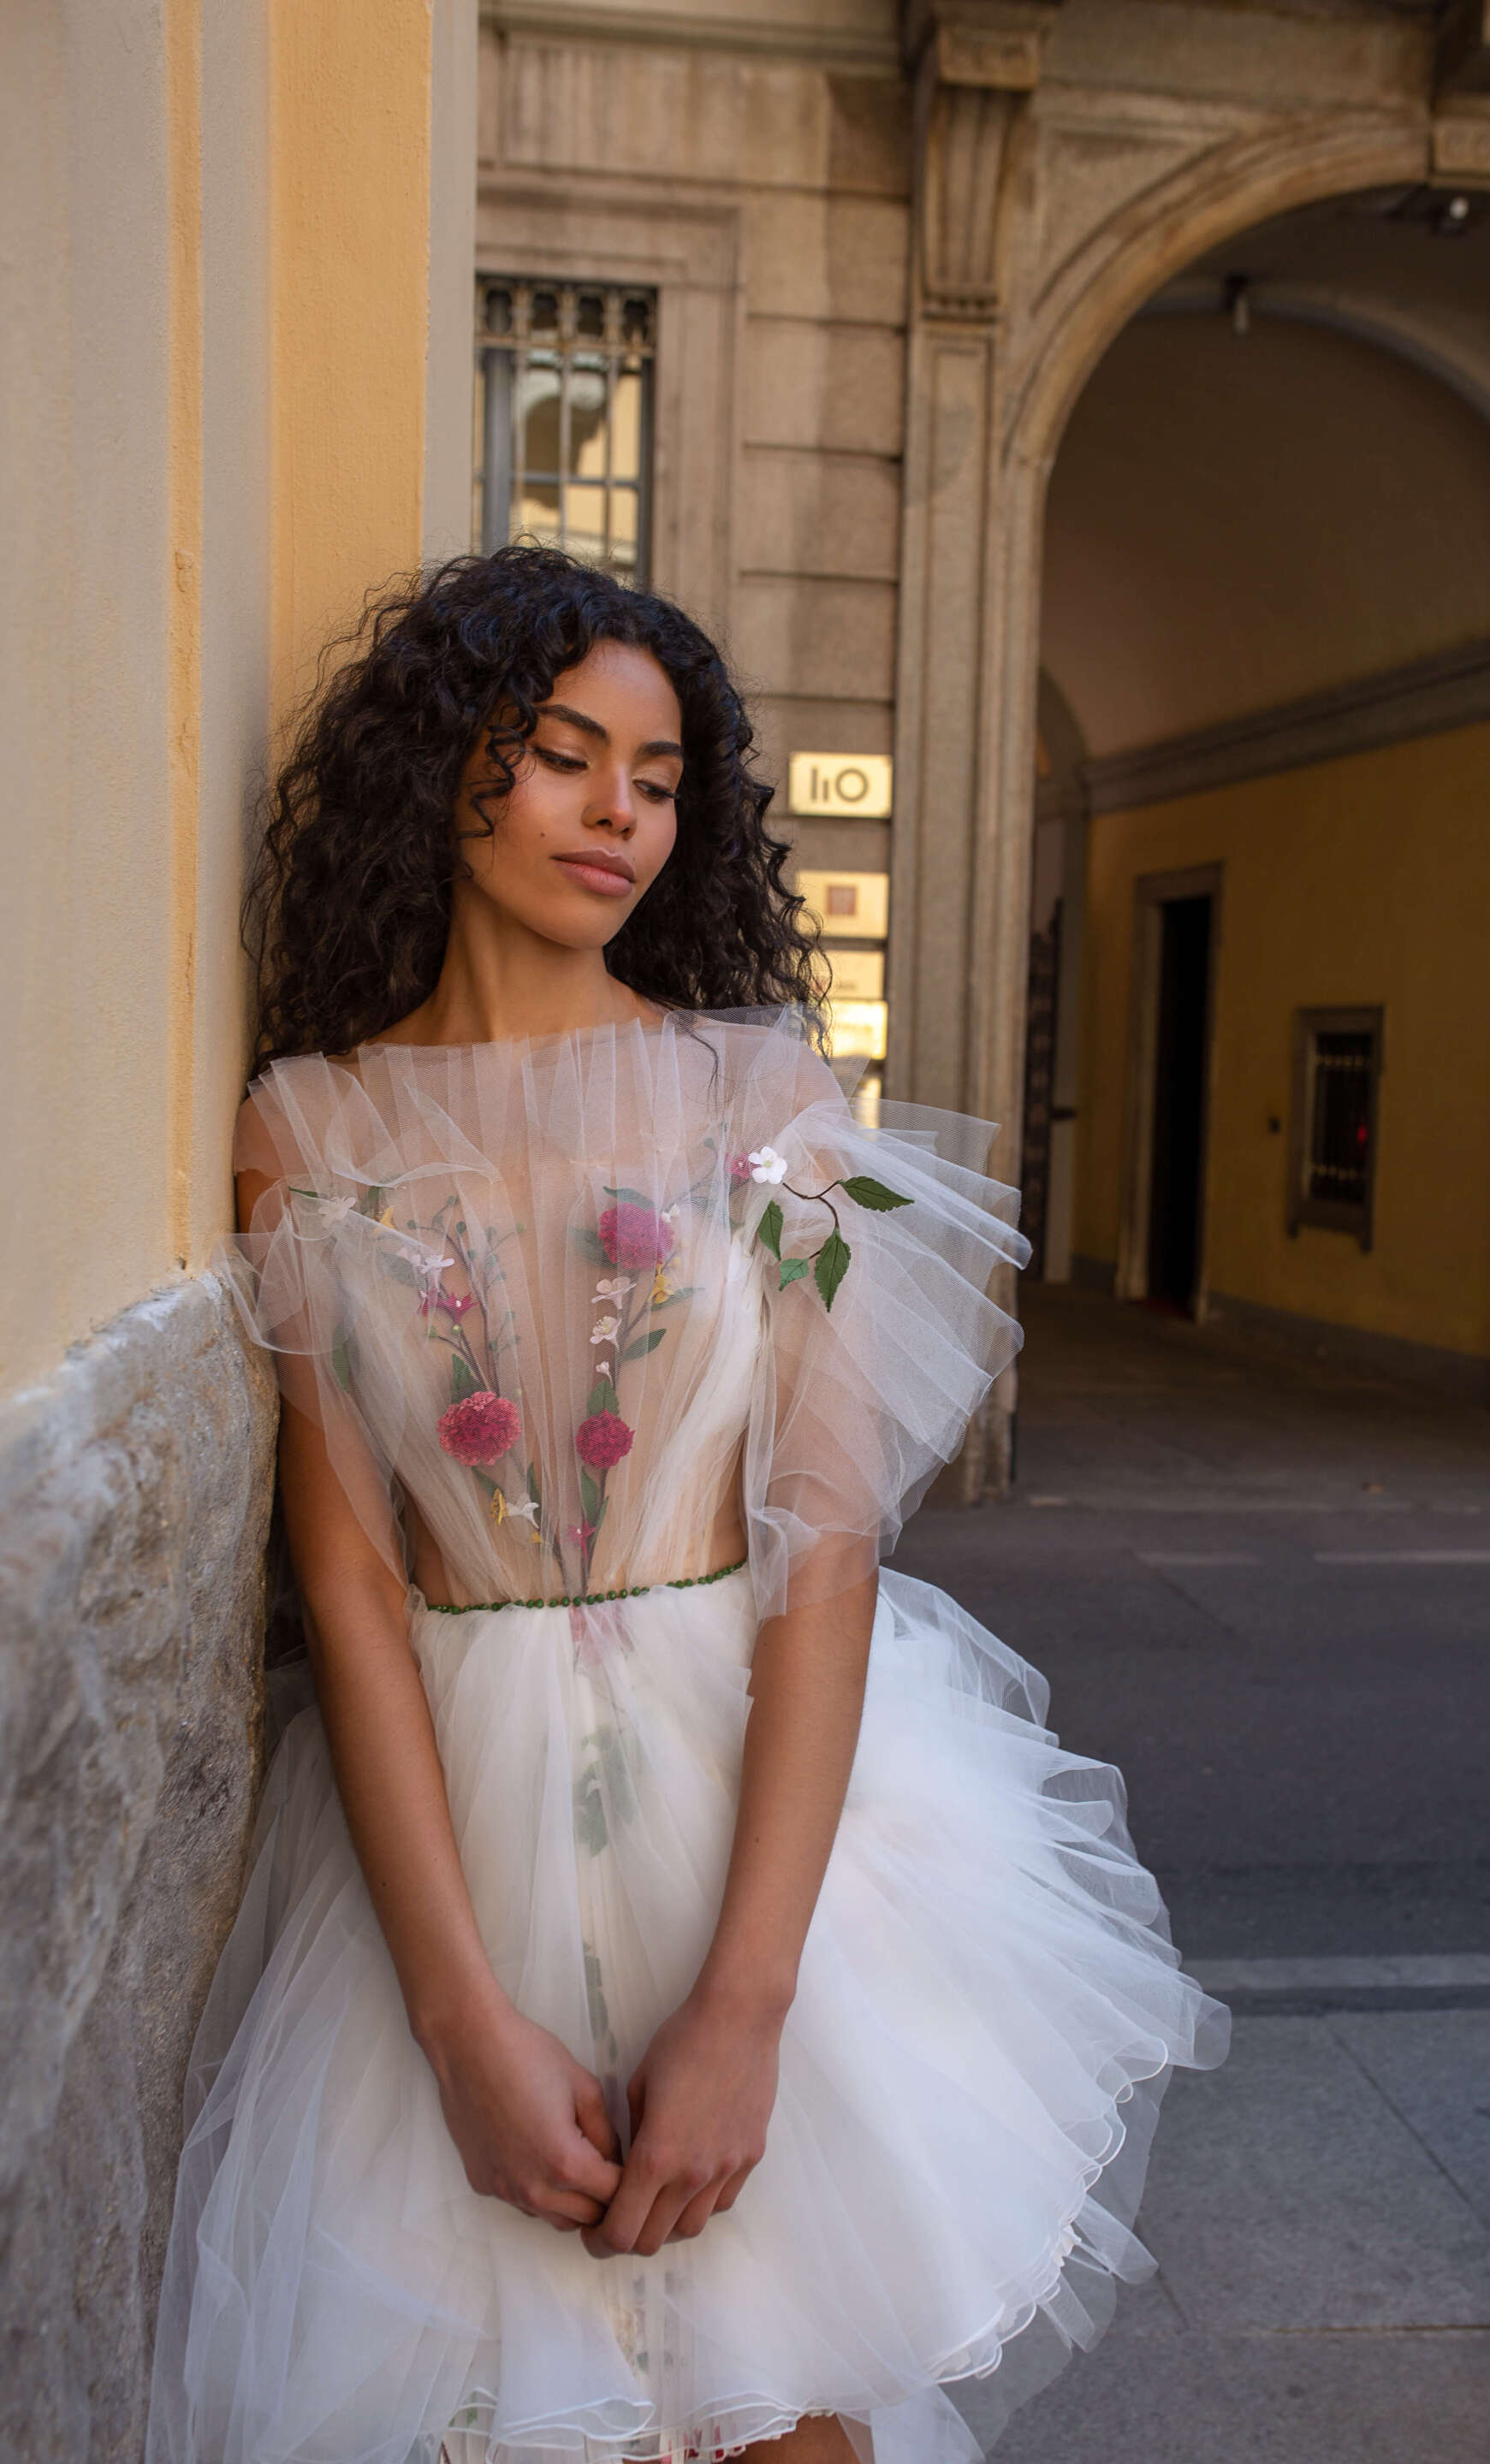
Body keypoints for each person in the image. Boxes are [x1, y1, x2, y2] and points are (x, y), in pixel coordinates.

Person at [145, 545, 1226, 2464]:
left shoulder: (770, 1109)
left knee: (783, 2410)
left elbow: (825, 1560)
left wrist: (747, 2005)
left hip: (755, 1817)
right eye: (565, 755)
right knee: (497, 2409)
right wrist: (459, 2023)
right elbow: (348, 1569)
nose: (619, 814)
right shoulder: (299, 1130)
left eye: (658, 779)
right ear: (443, 768)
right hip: (441, 1847)